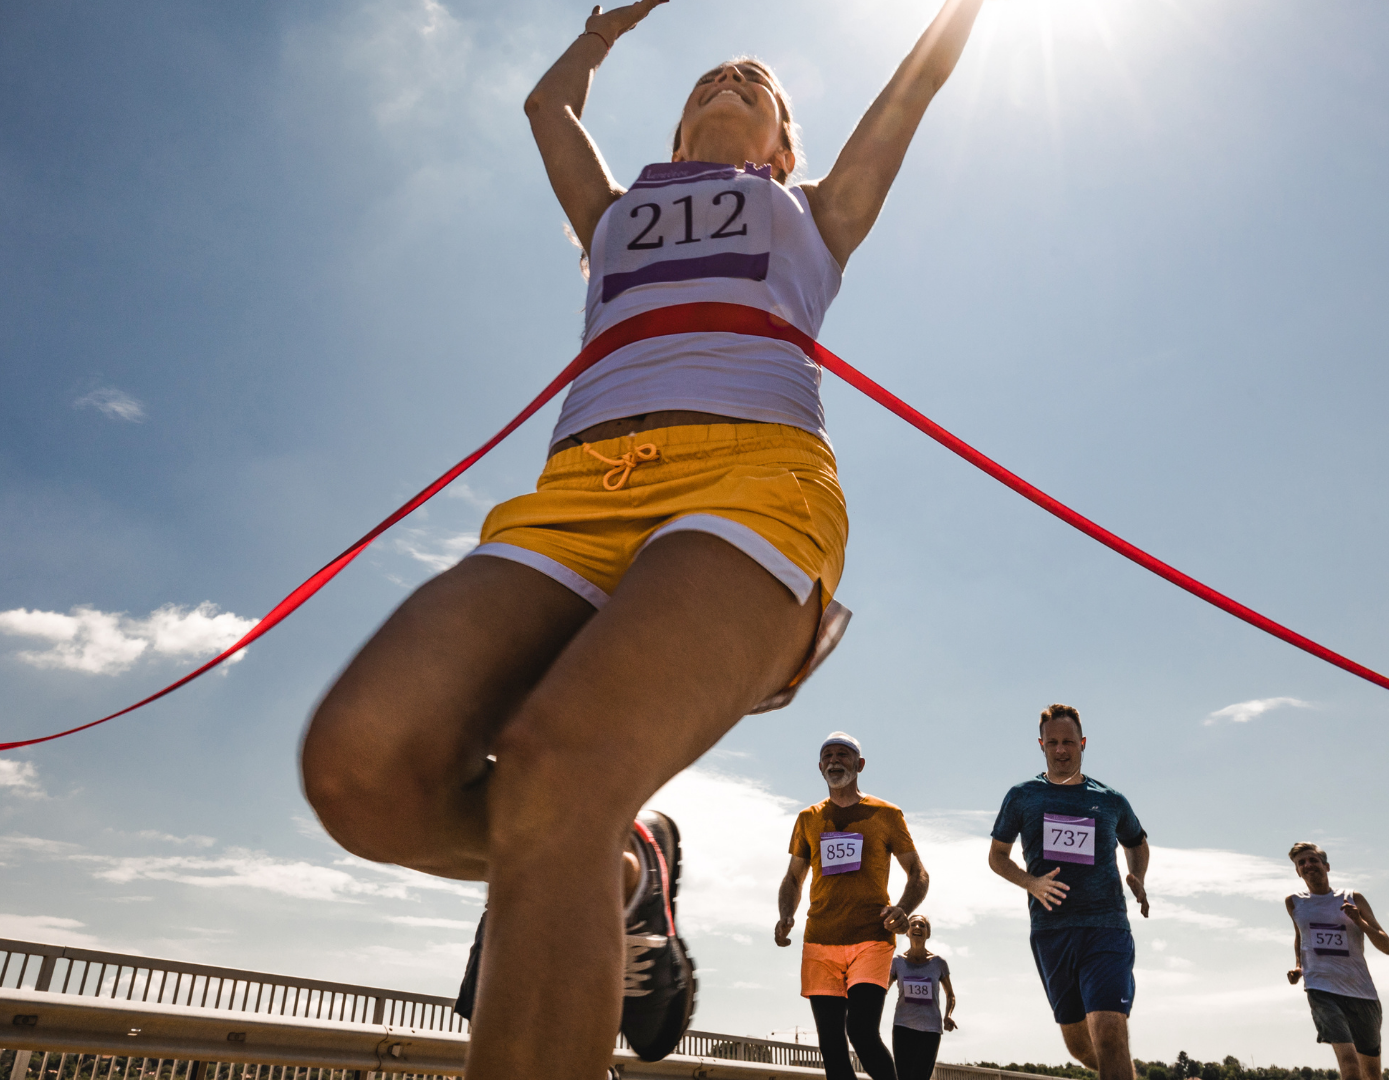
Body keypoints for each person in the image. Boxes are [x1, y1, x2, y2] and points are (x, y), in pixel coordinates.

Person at [297, 0, 990, 1076]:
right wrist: (602, 29)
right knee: (360, 772)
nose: (731, 78)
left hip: (750, 480)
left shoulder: (814, 209)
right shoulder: (613, 212)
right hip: (576, 494)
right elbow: (546, 104)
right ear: (675, 134)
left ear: (783, 142)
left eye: (757, 83)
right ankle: (622, 872)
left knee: (556, 770)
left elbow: (919, 83)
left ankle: (582, 833)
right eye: (711, 76)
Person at [987, 704, 1149, 1080]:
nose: (1062, 750)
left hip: (1106, 927)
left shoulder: (1110, 800)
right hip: (1052, 933)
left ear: (1083, 744)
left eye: (1069, 742)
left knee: (1109, 1033)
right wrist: (1031, 882)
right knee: (1080, 1047)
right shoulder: (1023, 796)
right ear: (1042, 745)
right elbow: (997, 856)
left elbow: (1136, 842)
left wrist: (1137, 875)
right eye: (1054, 742)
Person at [776, 732, 930, 1080]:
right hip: (820, 941)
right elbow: (793, 878)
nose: (834, 760)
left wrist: (903, 908)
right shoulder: (808, 819)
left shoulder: (886, 814)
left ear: (859, 765)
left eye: (843, 755)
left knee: (860, 1032)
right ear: (819, 767)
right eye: (828, 755)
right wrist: (786, 913)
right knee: (831, 1044)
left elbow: (918, 873)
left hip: (871, 939)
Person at [1285, 842, 1389, 1080]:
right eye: (1301, 863)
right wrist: (1299, 966)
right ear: (1298, 871)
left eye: (1313, 860)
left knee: (1371, 1074)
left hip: (1361, 991)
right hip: (1321, 988)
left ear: (1327, 866)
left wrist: (1358, 921)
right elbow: (1301, 936)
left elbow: (1386, 946)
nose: (1307, 865)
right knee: (1349, 1063)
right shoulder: (1294, 902)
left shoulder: (1353, 898)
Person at [889, 914, 956, 1080]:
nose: (917, 927)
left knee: (919, 1076)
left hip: (930, 1030)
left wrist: (948, 1016)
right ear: (907, 931)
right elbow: (882, 989)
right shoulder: (897, 962)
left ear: (928, 933)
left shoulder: (939, 963)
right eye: (913, 924)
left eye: (922, 925)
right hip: (902, 1026)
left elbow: (950, 995)